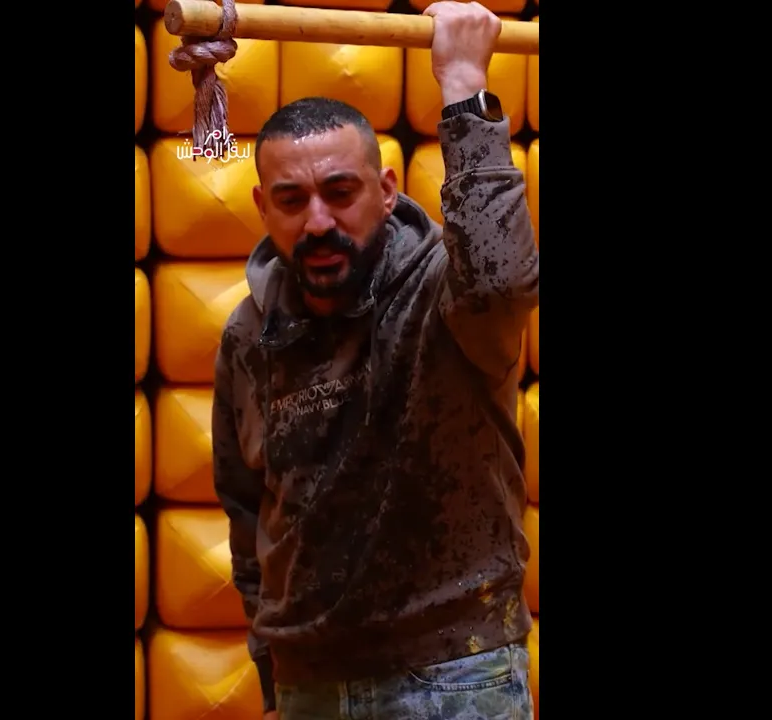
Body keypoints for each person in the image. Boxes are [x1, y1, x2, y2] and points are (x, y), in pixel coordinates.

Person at [211, 2, 539, 717]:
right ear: (263, 206)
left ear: (386, 192)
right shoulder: (246, 335)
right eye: (292, 200)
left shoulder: (446, 294)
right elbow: (246, 508)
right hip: (307, 681)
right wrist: (271, 665)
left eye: (340, 192)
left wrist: (463, 89)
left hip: (455, 671)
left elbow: (501, 281)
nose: (318, 222)